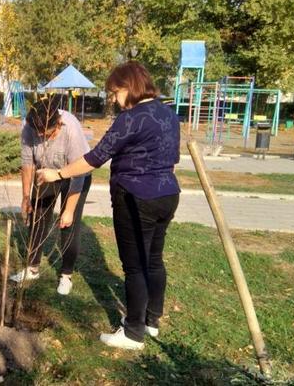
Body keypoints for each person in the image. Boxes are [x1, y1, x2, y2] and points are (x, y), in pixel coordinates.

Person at [37, 61, 180, 350]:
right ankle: (152, 320)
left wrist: (58, 173)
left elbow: (95, 157)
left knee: (135, 266)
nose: (113, 100)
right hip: (167, 194)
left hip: (136, 198)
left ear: (131, 87)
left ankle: (133, 333)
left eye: (115, 93)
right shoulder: (169, 113)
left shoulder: (132, 118)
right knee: (153, 259)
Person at [11, 96, 91, 295]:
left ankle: (66, 275)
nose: (40, 137)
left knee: (68, 224)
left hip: (75, 175)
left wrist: (69, 210)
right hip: (46, 174)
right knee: (37, 217)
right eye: (37, 133)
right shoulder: (30, 126)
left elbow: (79, 172)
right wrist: (25, 197)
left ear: (58, 124)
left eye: (45, 134)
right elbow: (28, 163)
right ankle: (32, 268)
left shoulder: (70, 127)